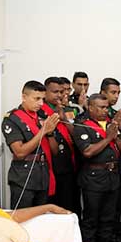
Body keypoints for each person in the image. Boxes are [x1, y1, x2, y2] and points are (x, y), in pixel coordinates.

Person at [73, 94, 121, 242]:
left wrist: (115, 134)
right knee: (91, 220)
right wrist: (108, 138)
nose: (106, 110)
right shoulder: (82, 125)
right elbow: (88, 152)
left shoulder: (111, 124)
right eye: (102, 107)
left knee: (108, 219)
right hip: (93, 178)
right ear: (90, 108)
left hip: (112, 177)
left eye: (107, 107)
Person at [2, 80, 59, 209]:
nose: (41, 103)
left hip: (43, 174)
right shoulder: (13, 119)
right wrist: (43, 131)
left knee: (42, 216)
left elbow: (55, 151)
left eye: (43, 99)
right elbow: (19, 152)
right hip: (24, 176)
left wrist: (50, 133)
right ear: (24, 97)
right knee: (23, 216)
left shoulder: (42, 117)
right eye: (37, 99)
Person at [40, 77, 80, 216]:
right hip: (50, 166)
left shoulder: (67, 110)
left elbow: (76, 136)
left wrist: (64, 118)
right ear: (45, 92)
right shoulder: (39, 111)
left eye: (61, 92)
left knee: (69, 203)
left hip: (67, 164)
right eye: (55, 92)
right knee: (52, 206)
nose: (59, 95)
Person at [100, 78, 121, 242]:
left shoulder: (115, 113)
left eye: (118, 92)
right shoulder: (96, 113)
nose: (116, 96)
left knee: (115, 208)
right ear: (103, 92)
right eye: (113, 92)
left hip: (117, 165)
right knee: (100, 211)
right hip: (98, 168)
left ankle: (112, 240)